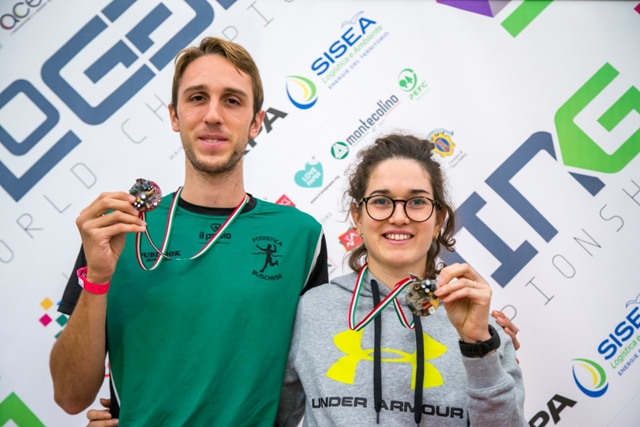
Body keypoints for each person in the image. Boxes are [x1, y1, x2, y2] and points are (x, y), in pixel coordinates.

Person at [50, 37, 328, 427]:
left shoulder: (302, 237)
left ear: (255, 122)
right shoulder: (119, 227)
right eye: (197, 98)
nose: (213, 115)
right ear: (174, 116)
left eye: (232, 100)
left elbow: (312, 379)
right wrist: (97, 278)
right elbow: (69, 396)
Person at [273, 134, 526, 426]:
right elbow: (274, 418)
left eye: (417, 201)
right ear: (357, 216)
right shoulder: (310, 311)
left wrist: (477, 347)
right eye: (381, 201)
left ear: (438, 219)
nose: (399, 216)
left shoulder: (482, 326)